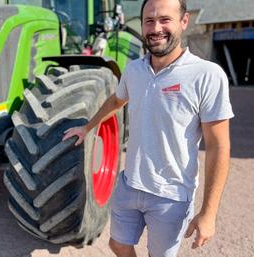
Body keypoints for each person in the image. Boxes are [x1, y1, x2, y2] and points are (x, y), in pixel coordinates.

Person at [62, 0, 234, 256]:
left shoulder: (206, 75)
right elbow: (116, 100)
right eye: (149, 21)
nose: (156, 28)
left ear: (184, 22)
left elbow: (219, 146)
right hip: (130, 185)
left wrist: (209, 213)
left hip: (171, 196)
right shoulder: (134, 69)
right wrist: (88, 127)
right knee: (118, 245)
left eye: (165, 19)